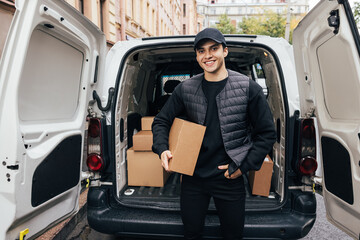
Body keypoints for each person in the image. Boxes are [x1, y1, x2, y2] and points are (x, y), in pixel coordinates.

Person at [152, 28, 276, 240]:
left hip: (229, 176)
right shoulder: (186, 89)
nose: (207, 55)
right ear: (197, 56)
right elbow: (161, 121)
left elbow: (266, 134)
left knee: (232, 234)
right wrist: (162, 149)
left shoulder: (248, 88)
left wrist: (243, 167)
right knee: (191, 232)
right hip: (193, 177)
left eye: (214, 49)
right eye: (201, 51)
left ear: (225, 51)